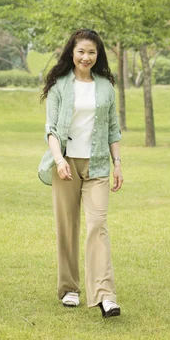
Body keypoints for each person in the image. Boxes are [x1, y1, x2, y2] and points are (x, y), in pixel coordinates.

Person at [38, 29, 123, 318]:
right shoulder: (59, 86)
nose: (86, 57)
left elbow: (113, 128)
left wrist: (118, 162)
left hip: (98, 164)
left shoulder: (105, 87)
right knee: (67, 226)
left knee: (97, 225)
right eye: (81, 52)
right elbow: (51, 129)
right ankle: (69, 288)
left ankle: (105, 294)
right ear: (71, 54)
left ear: (98, 56)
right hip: (66, 165)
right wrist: (59, 160)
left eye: (92, 52)